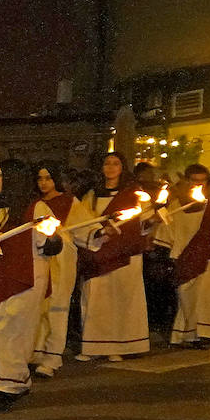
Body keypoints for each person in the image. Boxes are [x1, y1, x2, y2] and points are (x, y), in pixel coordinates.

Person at [0, 160, 63, 412]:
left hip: (27, 276)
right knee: (0, 327)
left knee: (13, 328)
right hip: (5, 275)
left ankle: (13, 383)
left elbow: (50, 245)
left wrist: (51, 235)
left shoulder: (38, 207)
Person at [77, 152, 153, 362]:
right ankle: (93, 347)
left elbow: (145, 222)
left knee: (121, 300)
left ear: (123, 167)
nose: (111, 167)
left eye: (116, 163)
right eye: (107, 163)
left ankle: (119, 346)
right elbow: (83, 221)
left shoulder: (134, 194)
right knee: (96, 300)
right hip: (99, 252)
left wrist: (151, 220)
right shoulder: (91, 195)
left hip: (125, 254)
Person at [155, 164, 210, 348]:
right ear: (186, 181)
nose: (198, 185)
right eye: (194, 181)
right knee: (187, 300)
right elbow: (166, 232)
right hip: (185, 260)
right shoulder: (177, 206)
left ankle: (205, 336)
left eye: (202, 181)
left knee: (206, 299)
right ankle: (186, 335)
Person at [30, 164, 100, 377]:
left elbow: (86, 229)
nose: (43, 183)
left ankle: (52, 357)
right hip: (39, 259)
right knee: (37, 307)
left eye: (48, 178)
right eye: (40, 178)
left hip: (62, 260)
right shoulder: (35, 203)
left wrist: (99, 233)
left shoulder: (70, 202)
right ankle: (35, 352)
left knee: (57, 307)